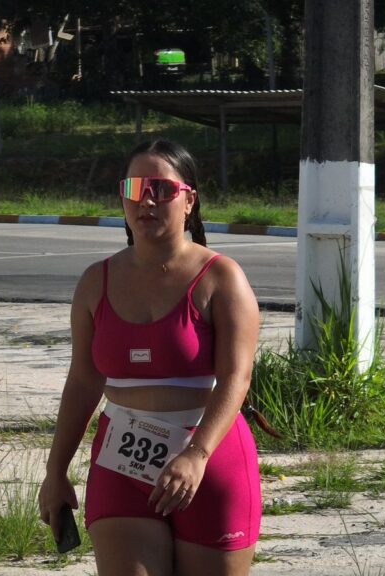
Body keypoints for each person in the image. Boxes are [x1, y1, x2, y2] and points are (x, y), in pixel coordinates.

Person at [38, 139, 262, 575]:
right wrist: (56, 471)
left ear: (189, 200)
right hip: (121, 465)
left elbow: (237, 378)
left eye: (162, 188)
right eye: (135, 187)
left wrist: (196, 455)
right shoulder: (94, 281)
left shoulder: (221, 277)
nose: (147, 200)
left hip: (210, 461)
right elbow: (83, 382)